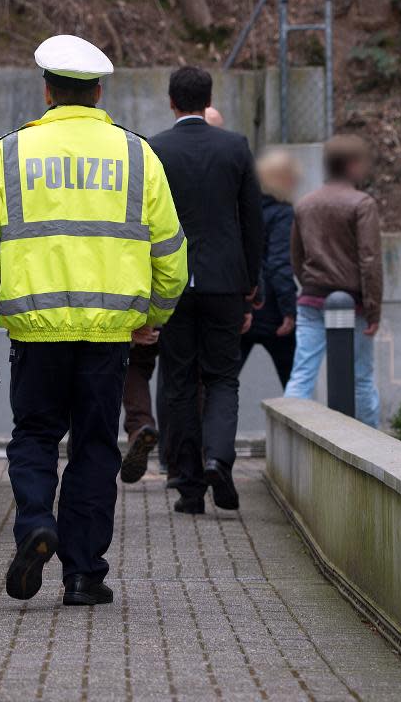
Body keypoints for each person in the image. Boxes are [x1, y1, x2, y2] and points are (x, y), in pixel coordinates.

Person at [0, 35, 187, 606]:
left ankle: (37, 523)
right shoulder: (137, 155)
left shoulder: (9, 154)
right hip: (108, 335)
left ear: (47, 91)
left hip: (34, 332)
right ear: (99, 91)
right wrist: (150, 317)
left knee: (33, 435)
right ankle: (84, 575)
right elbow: (171, 255)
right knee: (95, 446)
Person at [152, 67, 264, 514]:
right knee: (221, 378)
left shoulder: (156, 148)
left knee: (178, 382)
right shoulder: (234, 147)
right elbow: (251, 219)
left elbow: (145, 224)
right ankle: (219, 457)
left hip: (174, 283)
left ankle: (190, 487)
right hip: (224, 282)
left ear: (172, 101)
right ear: (207, 99)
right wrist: (251, 282)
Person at [120, 105, 226, 484]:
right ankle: (183, 461)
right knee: (186, 375)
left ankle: (140, 427)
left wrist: (147, 314)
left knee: (136, 364)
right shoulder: (225, 159)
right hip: (192, 287)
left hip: (148, 287)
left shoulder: (153, 161)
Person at [285, 134, 382, 428]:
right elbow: (370, 260)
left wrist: (310, 283)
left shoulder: (305, 204)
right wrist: (373, 309)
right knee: (361, 377)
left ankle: (290, 442)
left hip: (311, 299)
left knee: (302, 373)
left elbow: (296, 256)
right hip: (353, 303)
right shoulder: (362, 204)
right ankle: (373, 446)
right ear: (353, 165)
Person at [238, 149, 299, 388]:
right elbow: (279, 263)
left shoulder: (243, 207)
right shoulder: (283, 213)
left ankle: (209, 425)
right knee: (295, 383)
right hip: (273, 308)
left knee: (222, 383)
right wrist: (289, 310)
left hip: (244, 304)